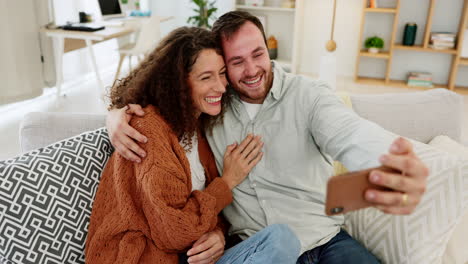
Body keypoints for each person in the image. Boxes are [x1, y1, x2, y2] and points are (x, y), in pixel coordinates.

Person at [106, 11, 429, 264]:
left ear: (268, 48)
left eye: (258, 54)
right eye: (235, 62)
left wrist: (390, 161)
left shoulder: (308, 96)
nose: (251, 70)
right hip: (257, 251)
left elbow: (348, 133)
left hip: (325, 242)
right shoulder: (210, 111)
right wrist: (115, 116)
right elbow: (159, 99)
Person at [85, 26, 301, 264]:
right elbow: (174, 233)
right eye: (206, 77)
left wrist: (218, 234)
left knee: (282, 238)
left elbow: (208, 211)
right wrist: (227, 182)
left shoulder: (198, 125)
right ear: (177, 83)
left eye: (221, 73)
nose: (220, 86)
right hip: (146, 257)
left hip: (192, 258)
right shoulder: (148, 132)